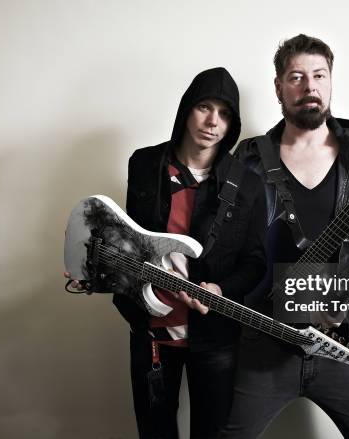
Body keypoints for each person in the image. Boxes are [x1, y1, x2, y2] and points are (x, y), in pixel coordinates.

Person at [220, 35, 349, 439]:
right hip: (264, 343)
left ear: (331, 81)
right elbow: (228, 246)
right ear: (279, 87)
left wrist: (343, 297)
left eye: (319, 75)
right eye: (297, 76)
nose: (310, 86)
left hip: (341, 343)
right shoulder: (247, 159)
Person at [111, 67, 266, 439]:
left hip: (214, 335)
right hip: (150, 331)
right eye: (204, 107)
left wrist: (220, 291)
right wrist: (95, 264)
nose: (213, 121)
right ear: (186, 109)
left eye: (225, 114)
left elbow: (256, 262)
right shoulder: (144, 165)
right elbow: (127, 241)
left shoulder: (248, 184)